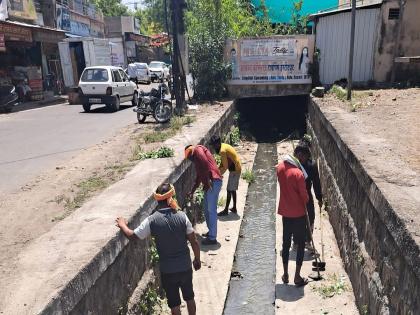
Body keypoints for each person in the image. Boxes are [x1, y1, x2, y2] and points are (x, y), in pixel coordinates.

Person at [116, 183, 201, 315]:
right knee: (189, 298)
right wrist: (197, 259)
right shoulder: (182, 216)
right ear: (170, 199)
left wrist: (122, 225)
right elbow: (194, 241)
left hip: (168, 270)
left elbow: (133, 236)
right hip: (185, 267)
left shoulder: (152, 220)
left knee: (174, 305)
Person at [277, 144, 310, 287]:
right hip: (299, 214)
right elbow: (305, 197)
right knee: (301, 244)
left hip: (285, 212)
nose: (304, 161)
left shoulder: (279, 168)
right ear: (299, 155)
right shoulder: (298, 174)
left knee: (286, 243)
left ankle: (285, 274)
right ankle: (297, 276)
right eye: (304, 158)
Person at [185, 145, 223, 245]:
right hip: (210, 183)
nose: (191, 160)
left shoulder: (197, 150)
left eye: (190, 158)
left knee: (211, 210)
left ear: (191, 152)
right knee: (206, 209)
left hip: (213, 181)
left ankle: (212, 238)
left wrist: (207, 180)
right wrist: (192, 191)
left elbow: (205, 163)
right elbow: (198, 177)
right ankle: (211, 232)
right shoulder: (197, 161)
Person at [299, 135, 323, 249]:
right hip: (306, 195)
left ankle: (297, 241)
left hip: (295, 195)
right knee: (310, 216)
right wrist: (319, 197)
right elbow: (316, 183)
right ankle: (308, 241)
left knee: (296, 217)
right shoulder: (312, 165)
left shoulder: (293, 163)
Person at [209, 135, 242, 216]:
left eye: (213, 145)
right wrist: (217, 170)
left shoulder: (222, 151)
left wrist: (218, 175)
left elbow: (225, 166)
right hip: (236, 168)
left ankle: (226, 210)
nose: (213, 147)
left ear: (217, 144)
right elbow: (223, 163)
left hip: (235, 170)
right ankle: (234, 208)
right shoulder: (222, 146)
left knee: (229, 190)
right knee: (233, 190)